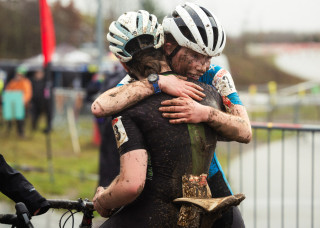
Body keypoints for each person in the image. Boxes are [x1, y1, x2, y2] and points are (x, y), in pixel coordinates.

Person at [92, 2, 251, 226]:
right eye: (196, 56)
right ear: (169, 47)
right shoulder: (146, 77)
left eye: (210, 57)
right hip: (158, 188)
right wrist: (158, 83)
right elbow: (101, 105)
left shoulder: (216, 76)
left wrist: (205, 113)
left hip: (209, 181)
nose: (205, 65)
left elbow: (245, 130)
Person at [4, 66, 32, 137]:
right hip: (12, 104)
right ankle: (8, 131)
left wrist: (23, 101)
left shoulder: (26, 82)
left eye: (20, 74)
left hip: (21, 105)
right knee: (9, 118)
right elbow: (8, 90)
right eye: (17, 74)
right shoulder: (13, 82)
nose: (18, 76)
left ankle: (21, 133)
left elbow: (27, 93)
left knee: (20, 119)